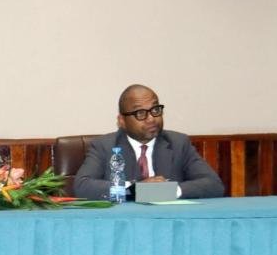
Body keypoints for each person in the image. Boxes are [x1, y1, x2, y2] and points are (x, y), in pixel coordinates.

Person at [74, 84, 224, 200]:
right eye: (140, 113)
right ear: (122, 121)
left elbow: (214, 184)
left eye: (155, 110)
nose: (151, 118)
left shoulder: (178, 143)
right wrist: (135, 189)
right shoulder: (104, 146)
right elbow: (82, 186)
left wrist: (168, 191)